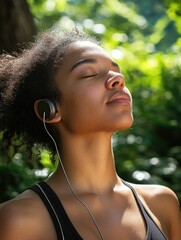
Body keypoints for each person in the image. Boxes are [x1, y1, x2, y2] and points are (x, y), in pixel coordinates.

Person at [0, 27, 180, 240]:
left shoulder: (161, 204)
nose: (117, 79)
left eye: (116, 70)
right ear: (50, 110)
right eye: (89, 74)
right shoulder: (19, 220)